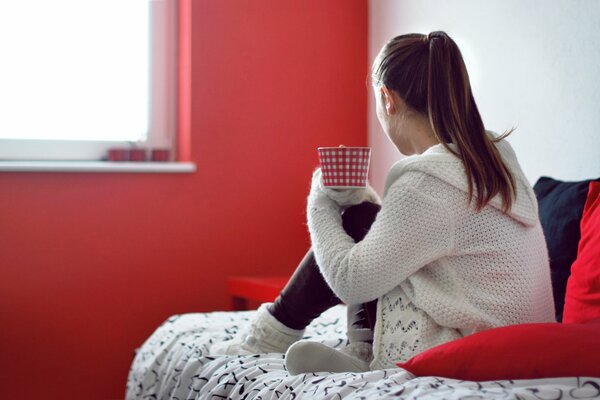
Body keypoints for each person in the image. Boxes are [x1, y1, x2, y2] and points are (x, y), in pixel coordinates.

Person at [211, 31, 555, 374]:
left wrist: (321, 199)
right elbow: (400, 235)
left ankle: (271, 336)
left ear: (387, 99)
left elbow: (351, 280)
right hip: (520, 343)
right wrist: (356, 199)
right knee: (362, 217)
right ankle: (359, 350)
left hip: (468, 349)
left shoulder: (427, 185)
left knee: (356, 226)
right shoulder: (491, 162)